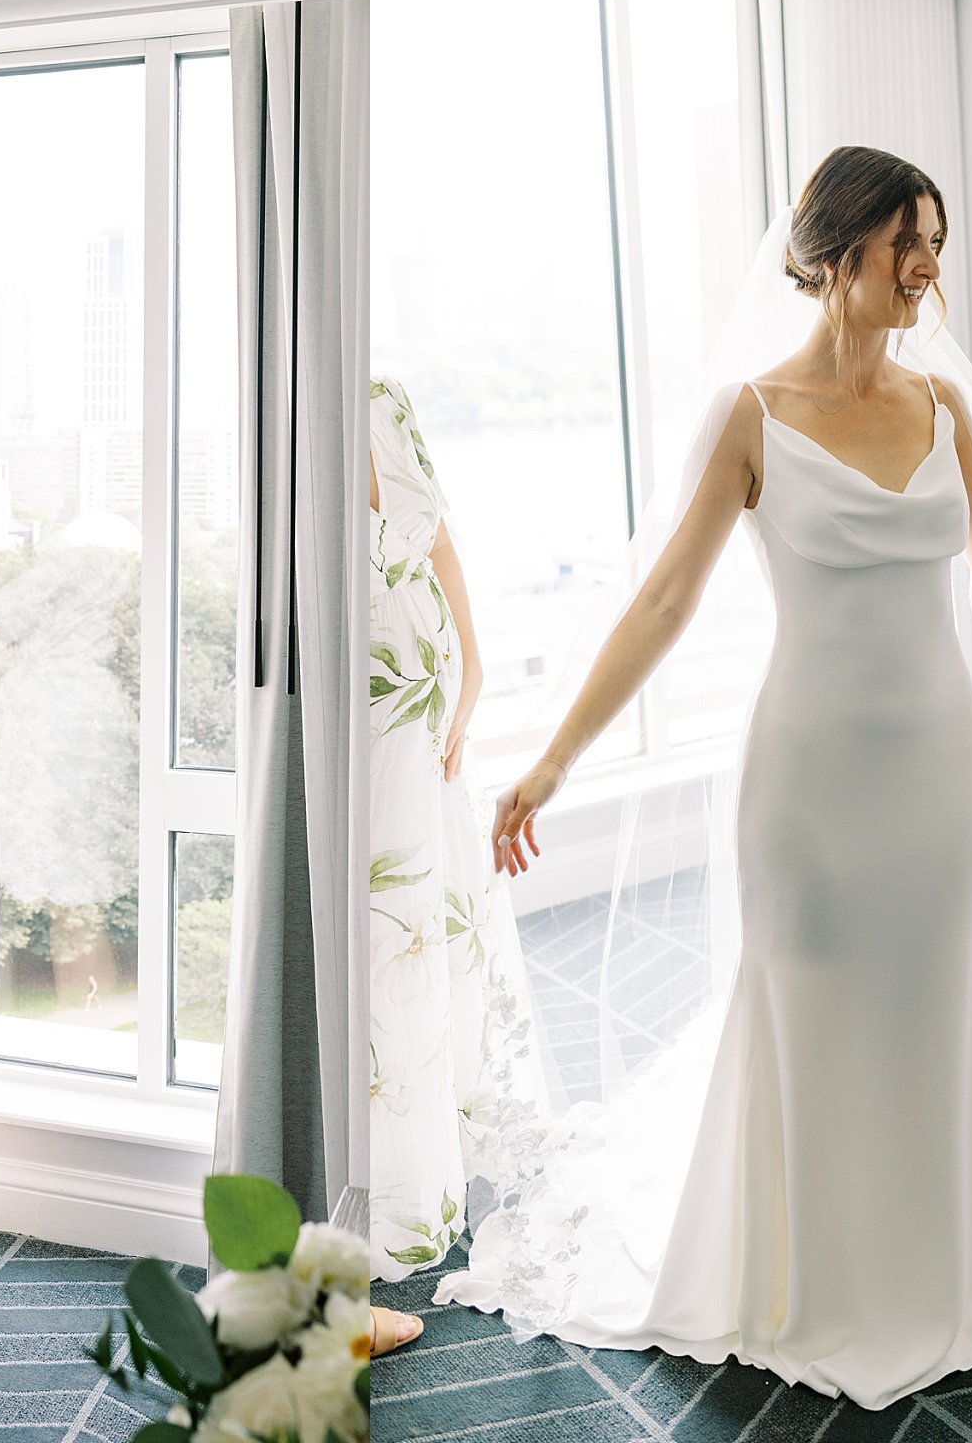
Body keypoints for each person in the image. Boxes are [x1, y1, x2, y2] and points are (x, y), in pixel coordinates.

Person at [437, 147, 972, 1410]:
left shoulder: (940, 409)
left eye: (936, 243)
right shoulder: (750, 415)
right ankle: (807, 1277)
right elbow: (662, 600)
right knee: (814, 997)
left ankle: (932, 1264)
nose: (928, 268)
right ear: (837, 252)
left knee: (924, 998)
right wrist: (550, 759)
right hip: (809, 773)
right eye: (907, 242)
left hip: (938, 767)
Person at [365, 377, 548, 1355]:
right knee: (377, 951)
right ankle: (378, 1182)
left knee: (423, 934)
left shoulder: (381, 401)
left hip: (418, 726)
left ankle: (426, 1158)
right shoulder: (287, 420)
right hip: (359, 735)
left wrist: (468, 685)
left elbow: (438, 542)